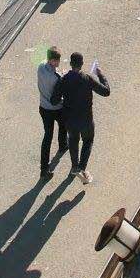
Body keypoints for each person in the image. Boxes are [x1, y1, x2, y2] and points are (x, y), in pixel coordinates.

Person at [55, 53, 110, 183]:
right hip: (86, 119)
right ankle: (82, 167)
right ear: (82, 63)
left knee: (73, 140)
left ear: (70, 64)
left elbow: (54, 99)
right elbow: (106, 91)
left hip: (70, 120)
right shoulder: (87, 78)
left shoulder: (64, 79)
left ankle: (75, 166)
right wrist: (100, 74)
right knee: (88, 141)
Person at [36, 46, 66, 177]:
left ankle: (44, 168)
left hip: (43, 108)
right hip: (56, 108)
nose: (58, 63)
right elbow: (60, 93)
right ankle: (63, 144)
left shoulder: (41, 67)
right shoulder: (56, 77)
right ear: (52, 60)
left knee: (47, 136)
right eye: (57, 61)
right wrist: (63, 75)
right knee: (63, 125)